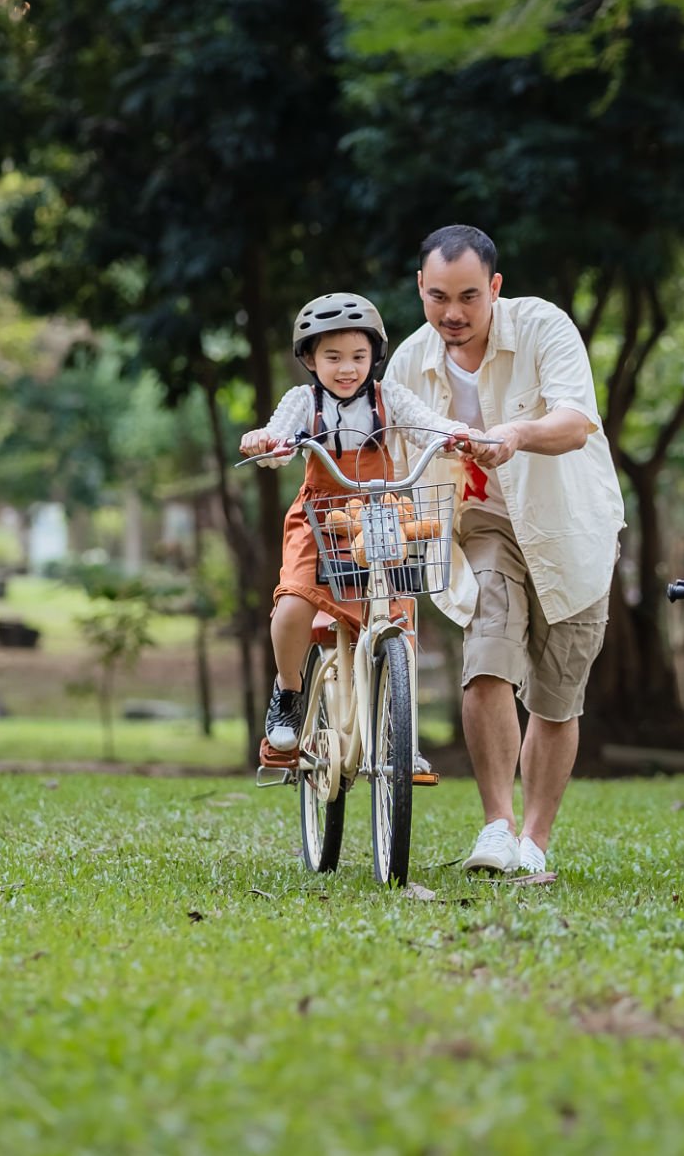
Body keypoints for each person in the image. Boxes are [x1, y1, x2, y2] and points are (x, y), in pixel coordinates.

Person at [385, 226, 623, 877]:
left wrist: (514, 432)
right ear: (420, 290)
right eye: (438, 297)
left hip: (571, 525)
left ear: (495, 287)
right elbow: (382, 441)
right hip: (481, 521)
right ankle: (497, 824)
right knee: (486, 654)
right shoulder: (409, 363)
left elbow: (576, 420)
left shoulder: (544, 328)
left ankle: (535, 839)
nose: (452, 314)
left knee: (556, 697)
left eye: (467, 296)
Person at [238, 293, 471, 764]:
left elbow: (426, 424)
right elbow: (280, 438)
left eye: (358, 357)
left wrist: (455, 435)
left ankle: (400, 737)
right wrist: (267, 442)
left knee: (400, 617)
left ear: (374, 357)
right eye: (333, 357)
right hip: (319, 517)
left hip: (382, 511)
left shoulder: (391, 398)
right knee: (293, 601)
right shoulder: (304, 402)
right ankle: (287, 694)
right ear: (309, 359)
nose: (348, 368)